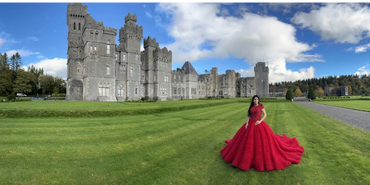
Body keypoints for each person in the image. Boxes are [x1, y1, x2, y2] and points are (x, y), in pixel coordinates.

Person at [220, 95, 304, 171]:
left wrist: (260, 121)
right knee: (246, 141)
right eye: (254, 99)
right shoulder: (251, 107)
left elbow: (265, 114)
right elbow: (249, 115)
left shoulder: (261, 106)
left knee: (262, 141)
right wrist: (247, 123)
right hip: (250, 124)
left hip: (258, 124)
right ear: (253, 100)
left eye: (257, 99)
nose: (256, 100)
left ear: (258, 100)